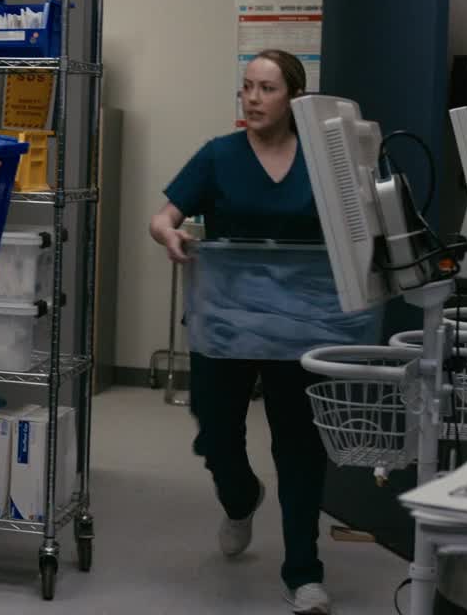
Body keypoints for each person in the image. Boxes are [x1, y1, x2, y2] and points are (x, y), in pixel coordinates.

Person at [148, 49, 332, 615]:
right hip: (226, 322)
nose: (253, 98)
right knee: (215, 431)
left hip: (300, 326)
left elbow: (359, 225)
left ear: (294, 97)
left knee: (299, 448)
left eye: (266, 88)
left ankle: (304, 572)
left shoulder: (323, 158)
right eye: (247, 87)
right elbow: (163, 216)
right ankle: (241, 496)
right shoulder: (219, 156)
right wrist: (169, 235)